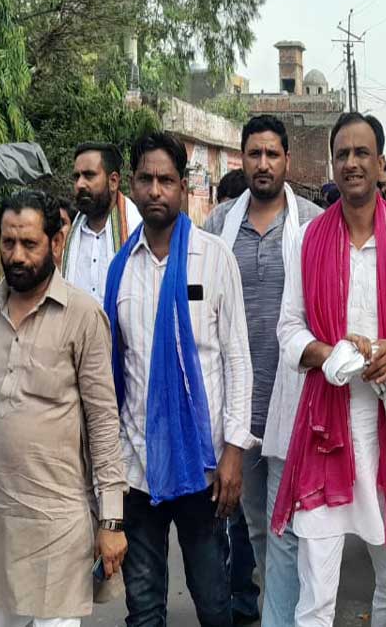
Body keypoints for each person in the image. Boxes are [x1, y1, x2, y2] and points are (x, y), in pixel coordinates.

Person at [271, 112, 386, 626]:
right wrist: (333, 356)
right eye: (342, 153)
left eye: (361, 152)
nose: (351, 162)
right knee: (316, 588)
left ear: (380, 162)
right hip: (326, 428)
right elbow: (289, 330)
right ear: (333, 163)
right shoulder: (308, 240)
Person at [0, 190, 129, 627]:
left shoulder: (84, 315)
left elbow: (104, 423)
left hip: (60, 526)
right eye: (8, 243)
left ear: (57, 243)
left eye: (29, 244)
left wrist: (113, 521)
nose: (16, 256)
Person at [107, 131, 255, 626]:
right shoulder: (119, 271)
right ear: (131, 184)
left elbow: (237, 360)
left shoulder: (214, 259)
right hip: (137, 468)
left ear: (182, 186)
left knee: (214, 601)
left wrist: (234, 450)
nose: (155, 190)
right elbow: (114, 370)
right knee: (144, 607)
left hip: (205, 465)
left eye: (165, 180)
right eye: (146, 179)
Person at [204, 114, 322, 626]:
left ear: (287, 161)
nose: (263, 163)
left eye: (272, 154)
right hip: (240, 407)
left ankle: (285, 617)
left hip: (293, 400)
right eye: (254, 154)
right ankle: (285, 607)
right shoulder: (218, 224)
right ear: (243, 159)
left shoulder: (314, 224)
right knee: (252, 525)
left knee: (286, 526)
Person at [60, 142, 143, 302]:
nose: (79, 184)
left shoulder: (139, 233)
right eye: (76, 177)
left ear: (113, 181)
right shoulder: (67, 237)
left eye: (89, 175)